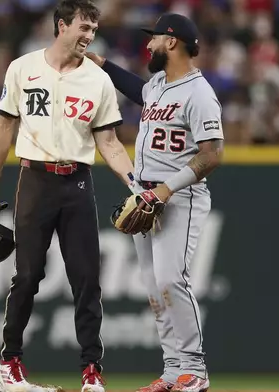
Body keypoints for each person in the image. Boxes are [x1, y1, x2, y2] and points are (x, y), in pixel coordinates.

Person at [0, 1, 135, 391]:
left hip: (77, 182)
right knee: (28, 275)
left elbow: (110, 142)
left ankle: (91, 371)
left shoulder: (97, 80)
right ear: (61, 25)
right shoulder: (23, 68)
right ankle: (9, 361)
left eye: (93, 29)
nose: (89, 36)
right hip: (34, 181)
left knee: (87, 279)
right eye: (83, 27)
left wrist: (136, 183)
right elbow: (3, 128)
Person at [85, 13, 224, 392]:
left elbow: (212, 155)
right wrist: (103, 65)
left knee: (170, 279)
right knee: (153, 287)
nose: (148, 44)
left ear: (173, 42)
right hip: (144, 198)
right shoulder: (159, 85)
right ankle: (173, 370)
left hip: (179, 199)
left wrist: (166, 190)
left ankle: (194, 370)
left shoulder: (199, 93)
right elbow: (138, 89)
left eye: (155, 38)